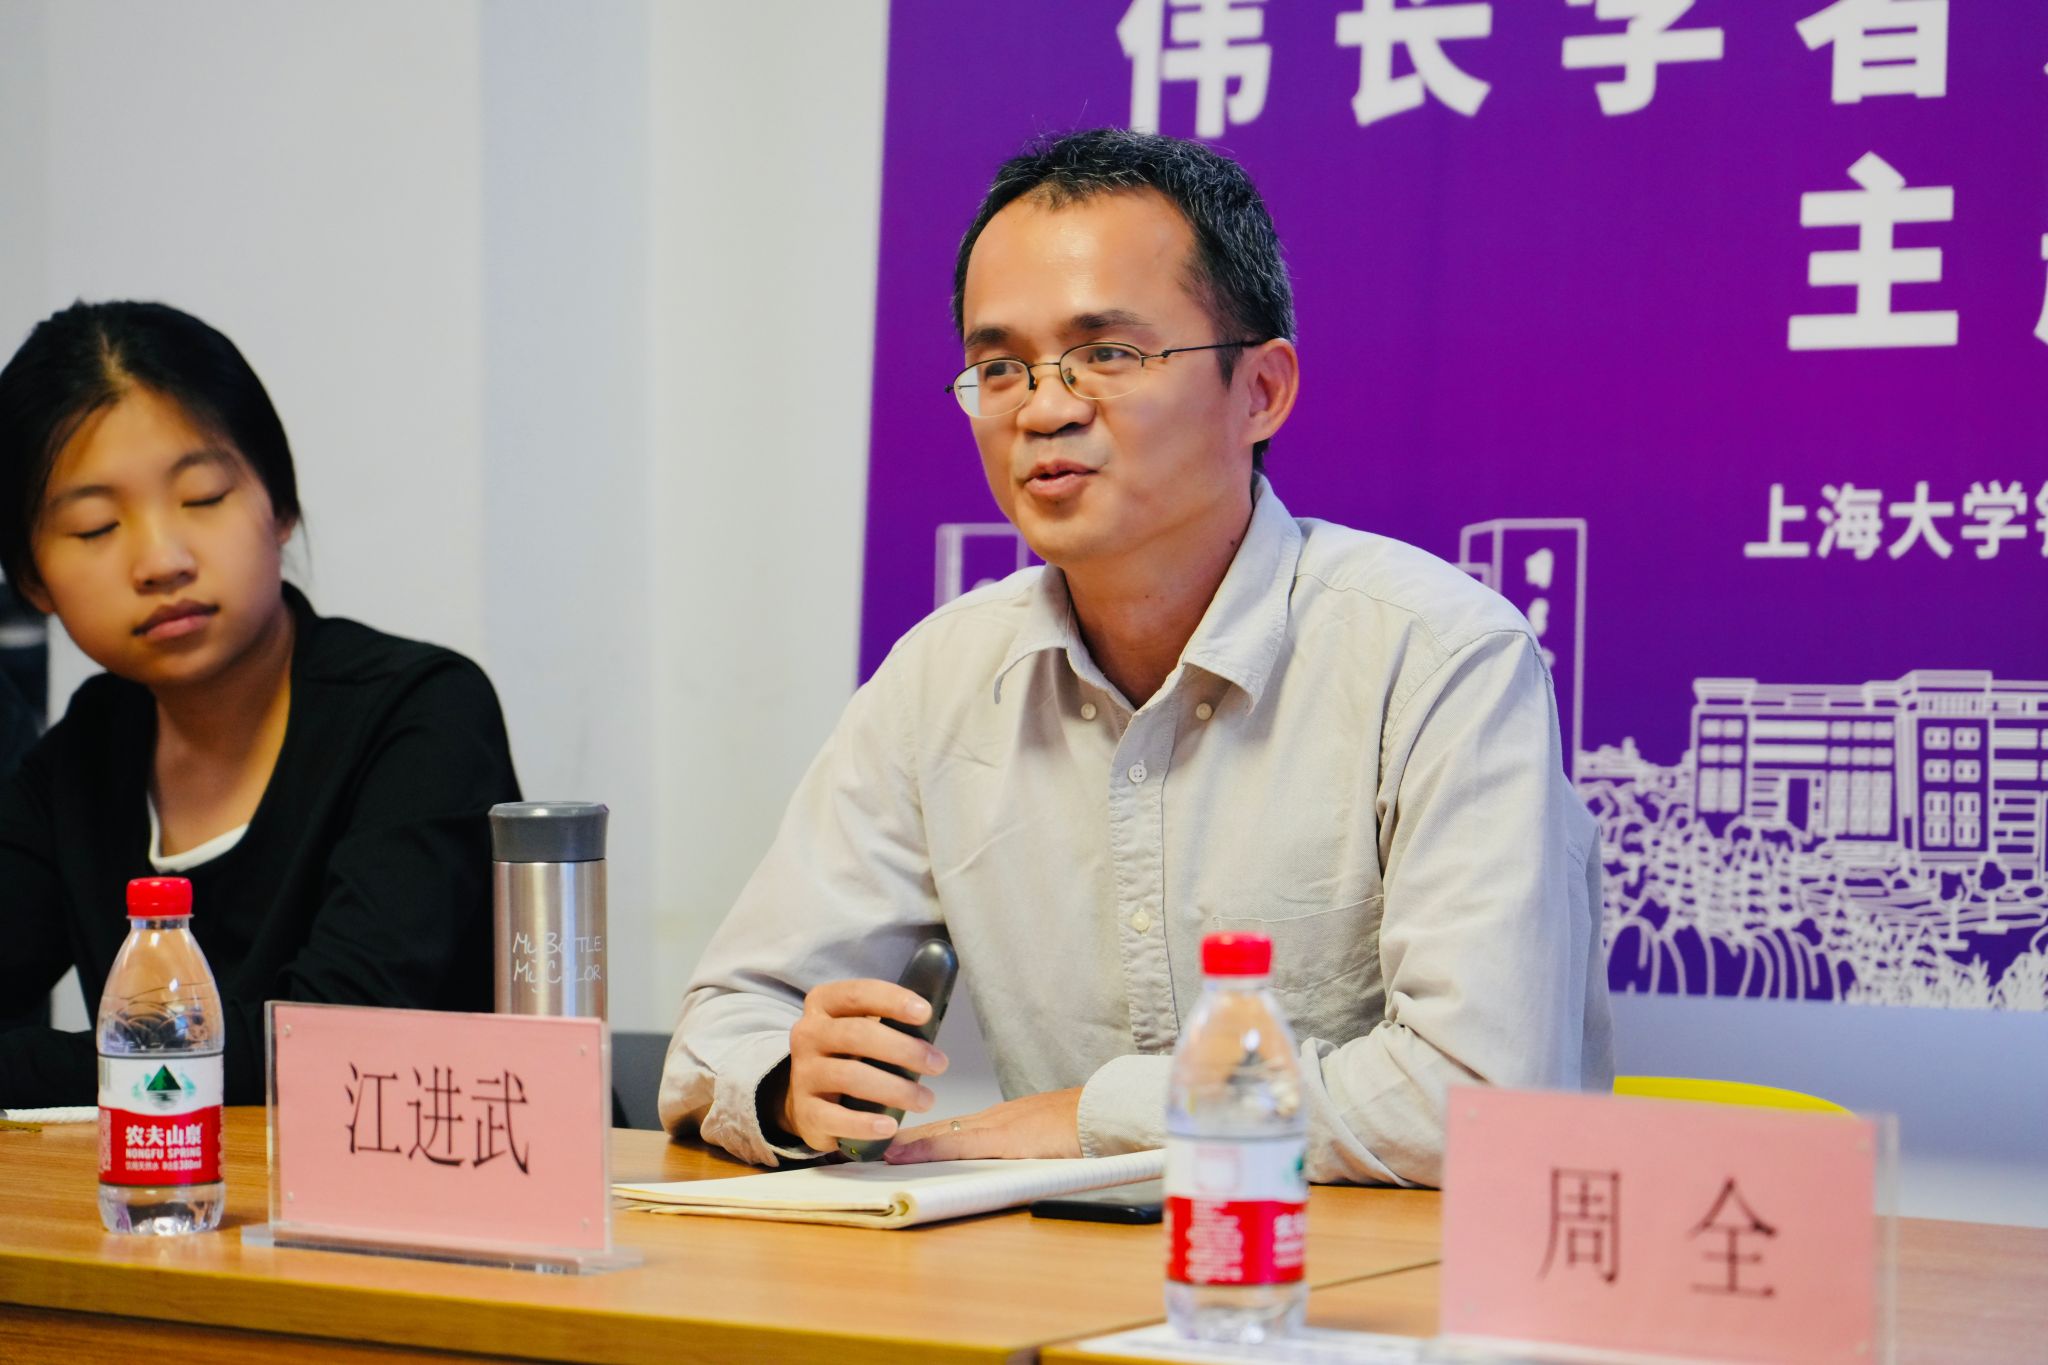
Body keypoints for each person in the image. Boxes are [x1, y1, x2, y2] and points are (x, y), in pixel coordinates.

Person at [661, 129, 1611, 1186]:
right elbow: (722, 1027)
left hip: (1359, 1277)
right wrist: (790, 1089)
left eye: (1106, 355)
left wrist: (1093, 1117)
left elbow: (1473, 1095)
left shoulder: (1434, 655)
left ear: (1261, 391)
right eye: (999, 368)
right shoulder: (941, 678)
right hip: (1061, 1276)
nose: (1044, 408)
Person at [0, 301, 520, 1107]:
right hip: (183, 1188)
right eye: (96, 526)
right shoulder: (83, 756)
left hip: (455, 1172)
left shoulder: (422, 714)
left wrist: (37, 1066)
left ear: (279, 505)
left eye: (203, 496)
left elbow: (331, 1044)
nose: (161, 560)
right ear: (33, 580)